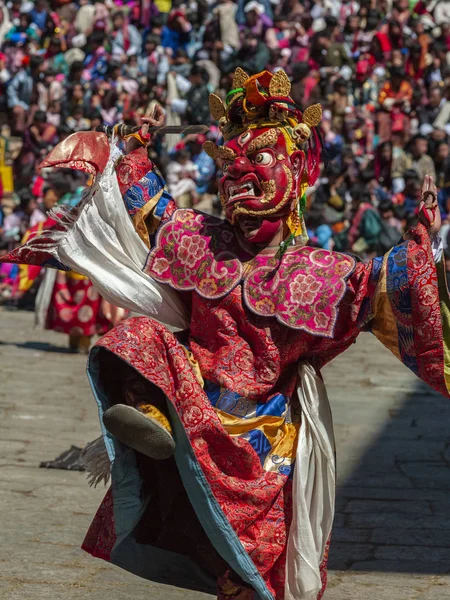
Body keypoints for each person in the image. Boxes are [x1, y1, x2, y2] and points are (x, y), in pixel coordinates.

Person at [3, 68, 450, 600]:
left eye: (258, 158)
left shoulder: (323, 272)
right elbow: (150, 207)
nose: (238, 171)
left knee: (250, 565)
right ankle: (147, 411)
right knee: (139, 336)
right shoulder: (199, 240)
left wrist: (420, 245)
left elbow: (384, 289)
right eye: (229, 161)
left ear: (299, 171)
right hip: (190, 407)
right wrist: (138, 151)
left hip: (263, 439)